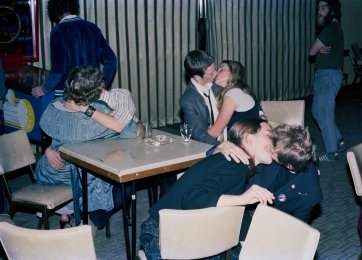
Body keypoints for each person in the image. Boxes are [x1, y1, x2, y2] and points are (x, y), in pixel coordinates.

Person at [140, 118, 276, 259]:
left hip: (180, 229)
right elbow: (193, 198)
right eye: (269, 135)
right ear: (248, 137)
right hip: (164, 235)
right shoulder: (236, 166)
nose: (273, 140)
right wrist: (243, 199)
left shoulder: (238, 163)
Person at [34, 65, 137, 229]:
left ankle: (69, 214)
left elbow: (47, 130)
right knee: (103, 179)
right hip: (76, 172)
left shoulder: (58, 106)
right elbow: (126, 129)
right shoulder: (88, 116)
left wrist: (47, 149)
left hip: (48, 172)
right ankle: (88, 222)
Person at [239, 124, 323, 239]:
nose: (267, 147)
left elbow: (296, 226)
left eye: (272, 151)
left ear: (288, 166)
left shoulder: (310, 194)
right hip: (242, 196)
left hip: (269, 217)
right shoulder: (279, 143)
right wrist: (225, 145)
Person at [31, 0, 117, 98]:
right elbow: (111, 59)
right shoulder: (92, 28)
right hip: (93, 93)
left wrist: (44, 89)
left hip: (70, 96)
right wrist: (103, 84)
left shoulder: (58, 32)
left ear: (54, 10)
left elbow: (57, 71)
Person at [309, 0, 345, 162]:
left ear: (332, 9)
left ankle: (332, 153)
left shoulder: (330, 29)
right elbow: (317, 51)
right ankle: (338, 139)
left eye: (324, 8)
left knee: (324, 114)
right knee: (317, 112)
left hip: (328, 76)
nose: (320, 12)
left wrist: (317, 49)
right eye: (319, 9)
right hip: (327, 75)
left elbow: (311, 52)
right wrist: (320, 49)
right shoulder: (334, 29)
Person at [207, 60, 262, 139]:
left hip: (251, 143)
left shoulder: (234, 93)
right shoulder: (237, 91)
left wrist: (192, 136)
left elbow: (215, 132)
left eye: (221, 69)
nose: (216, 72)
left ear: (233, 74)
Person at [179, 50, 221, 145]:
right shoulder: (188, 100)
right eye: (210, 73)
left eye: (215, 69)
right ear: (197, 77)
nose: (216, 73)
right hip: (210, 146)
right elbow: (199, 135)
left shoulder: (218, 84)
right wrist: (222, 146)